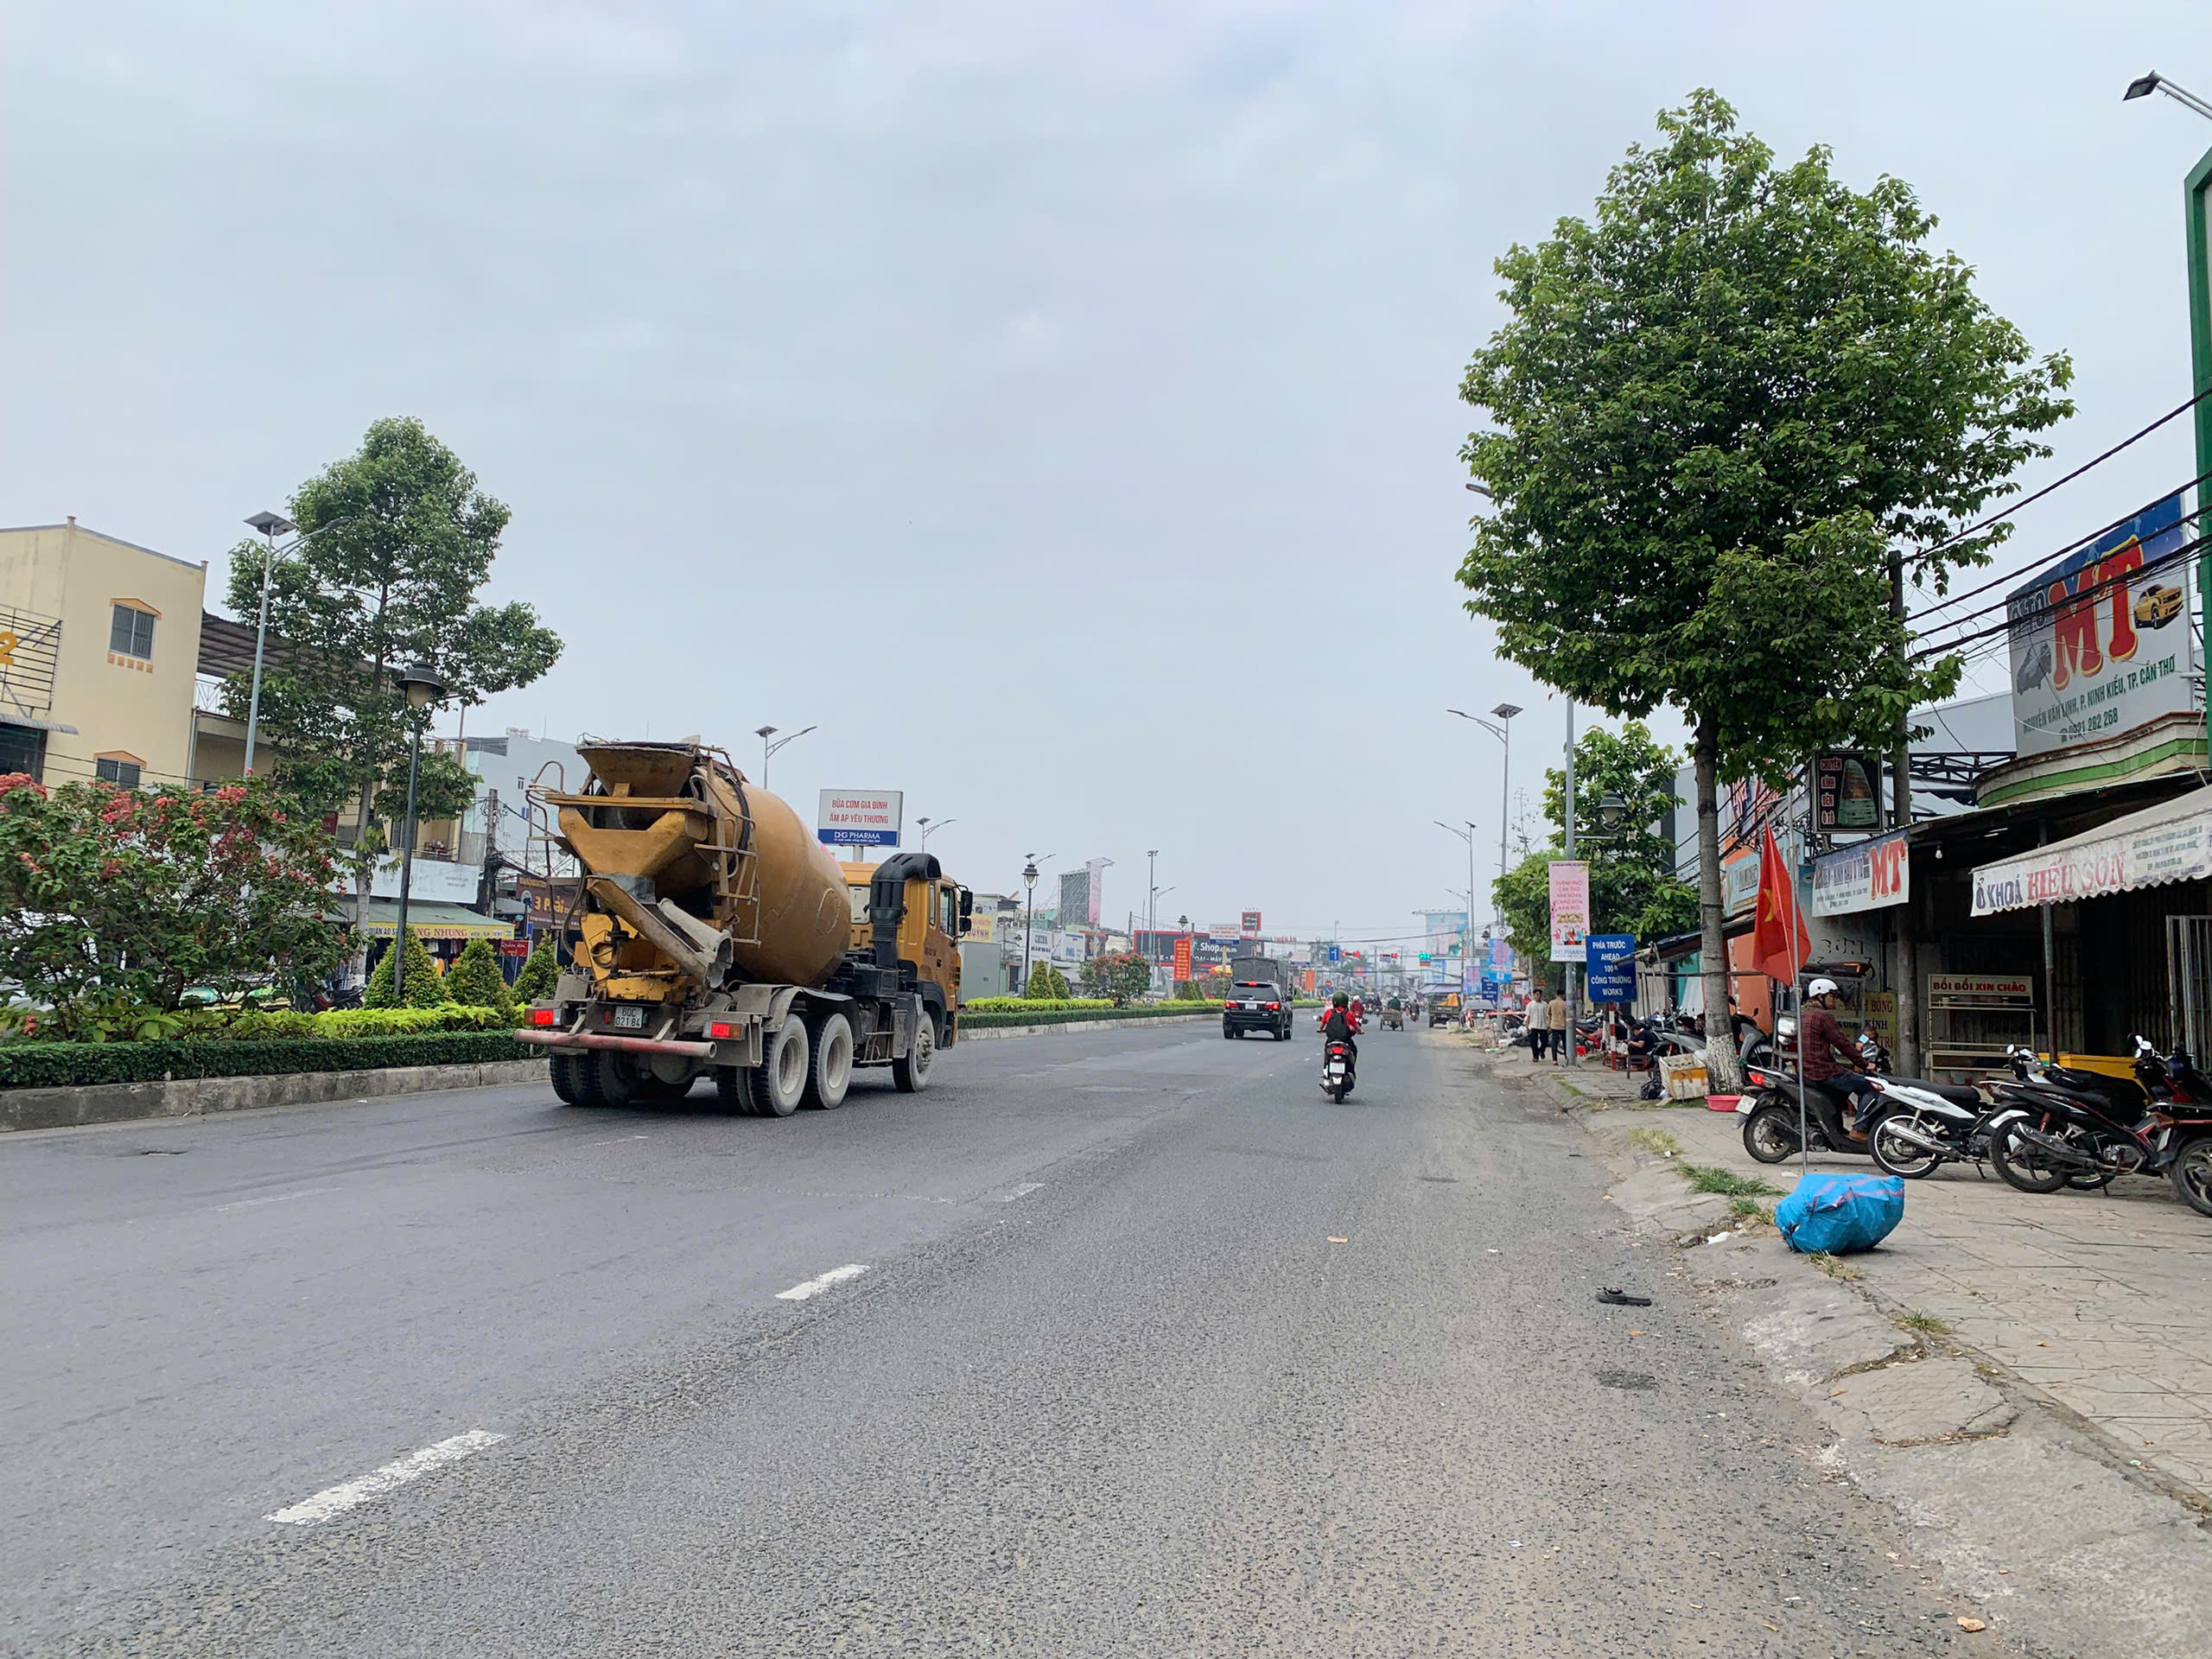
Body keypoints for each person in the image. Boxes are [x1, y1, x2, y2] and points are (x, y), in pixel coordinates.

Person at [1800, 977, 1874, 1141]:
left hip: (1809, 1071)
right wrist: (1863, 1063)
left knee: (1841, 1093)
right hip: (1824, 1073)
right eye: (1831, 996)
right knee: (1871, 1088)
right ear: (1820, 996)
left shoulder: (1803, 1015)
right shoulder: (1823, 1017)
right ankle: (1859, 1130)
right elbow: (1842, 1044)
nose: (1834, 1000)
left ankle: (1838, 1131)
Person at [1319, 990, 1360, 1085]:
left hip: (1331, 1040)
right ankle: (1351, 1070)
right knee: (1354, 1050)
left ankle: (1326, 1069)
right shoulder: (1348, 1014)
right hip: (1345, 1041)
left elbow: (1322, 1025)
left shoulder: (1328, 1012)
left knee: (1326, 1052)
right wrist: (1360, 1031)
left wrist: (1320, 1029)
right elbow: (1356, 1026)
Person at [1523, 986, 1550, 1063]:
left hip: (1543, 1026)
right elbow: (1528, 1016)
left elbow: (1547, 1015)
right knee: (1533, 1043)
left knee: (1545, 1041)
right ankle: (1535, 1056)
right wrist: (1527, 1027)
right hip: (1533, 1026)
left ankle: (1541, 1051)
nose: (1538, 996)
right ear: (1534, 995)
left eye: (1539, 995)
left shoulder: (1545, 1005)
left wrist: (1548, 1024)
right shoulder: (1530, 1005)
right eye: (1537, 994)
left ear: (1541, 996)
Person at [1547, 986, 1568, 1063]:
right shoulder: (1565, 1004)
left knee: (1554, 1043)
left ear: (1556, 995)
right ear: (1563, 995)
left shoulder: (1551, 1003)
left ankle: (1555, 1060)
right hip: (1563, 1026)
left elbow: (1548, 1013)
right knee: (1565, 1043)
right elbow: (1568, 1014)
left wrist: (1549, 1022)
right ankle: (1567, 1057)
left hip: (1554, 1026)